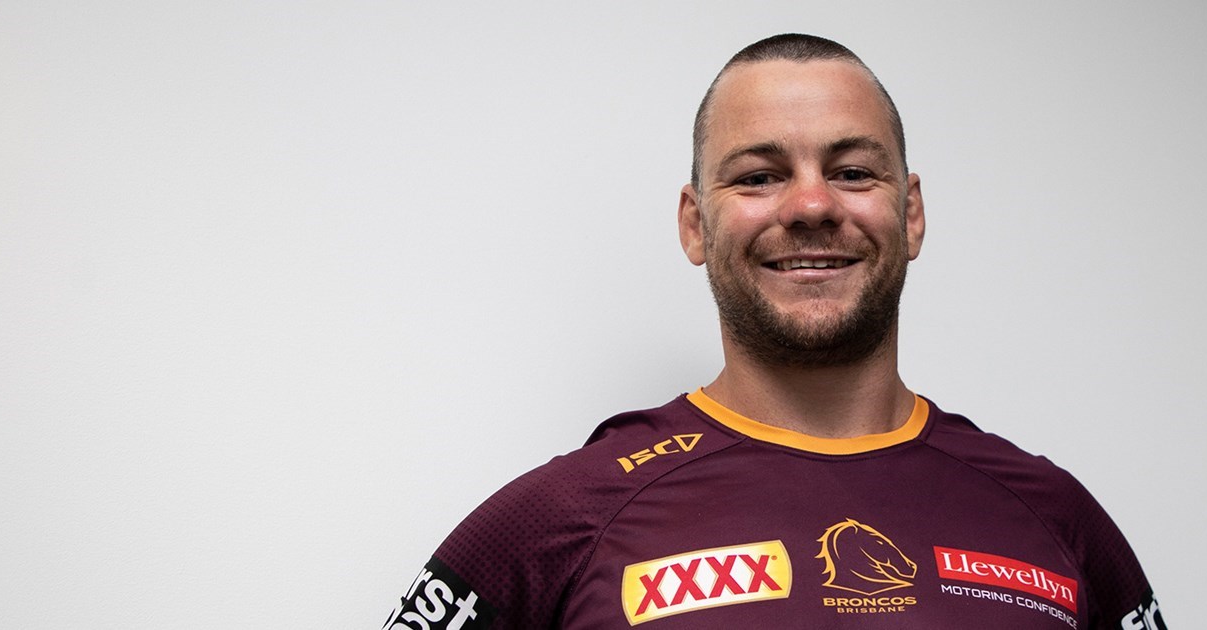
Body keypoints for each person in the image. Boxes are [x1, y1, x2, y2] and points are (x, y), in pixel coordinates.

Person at [384, 33, 1166, 630]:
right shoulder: (561, 521)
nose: (811, 206)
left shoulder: (1054, 519)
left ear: (911, 214)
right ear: (695, 224)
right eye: (759, 176)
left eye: (852, 171)